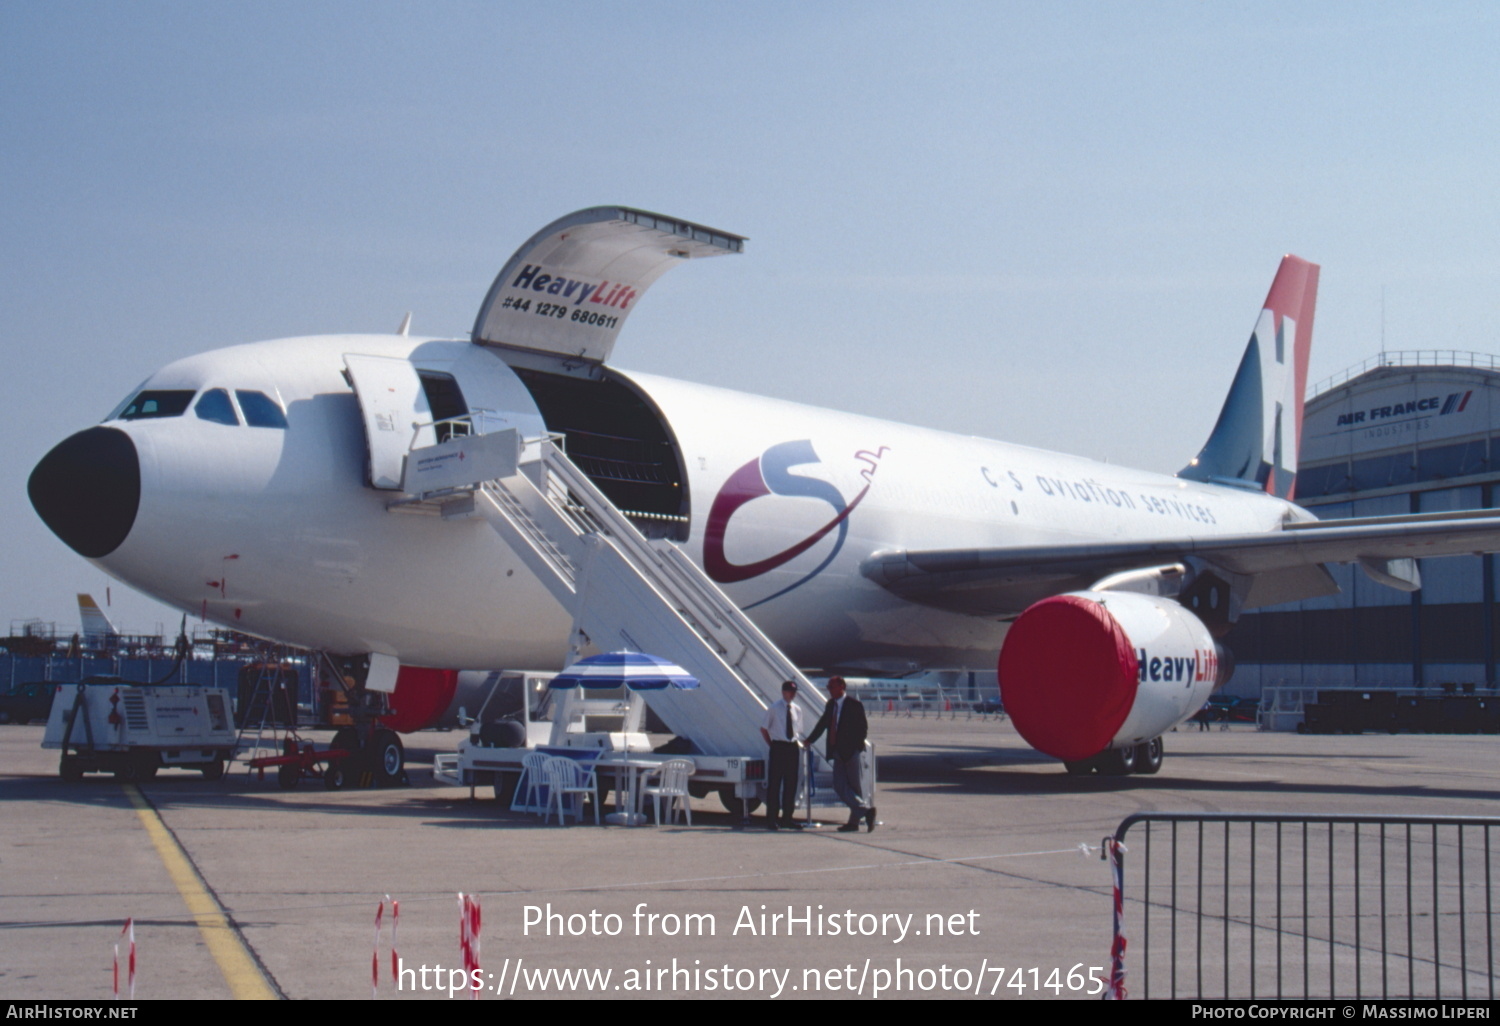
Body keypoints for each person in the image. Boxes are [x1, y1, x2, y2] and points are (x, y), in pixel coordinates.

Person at [805, 676, 876, 832]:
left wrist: (855, 748)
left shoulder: (854, 705)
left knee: (854, 787)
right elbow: (823, 723)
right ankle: (866, 811)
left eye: (832, 686)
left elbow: (862, 728)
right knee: (839, 785)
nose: (829, 690)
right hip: (836, 751)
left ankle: (854, 823)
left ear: (841, 687)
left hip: (851, 752)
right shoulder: (831, 705)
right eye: (828, 686)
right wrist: (809, 740)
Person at [759, 680, 806, 830]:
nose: (792, 694)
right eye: (789, 691)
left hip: (791, 747)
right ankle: (772, 819)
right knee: (775, 785)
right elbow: (764, 729)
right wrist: (772, 745)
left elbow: (798, 730)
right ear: (783, 692)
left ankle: (787, 818)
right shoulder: (774, 708)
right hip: (778, 746)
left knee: (790, 785)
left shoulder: (797, 709)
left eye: (794, 691)